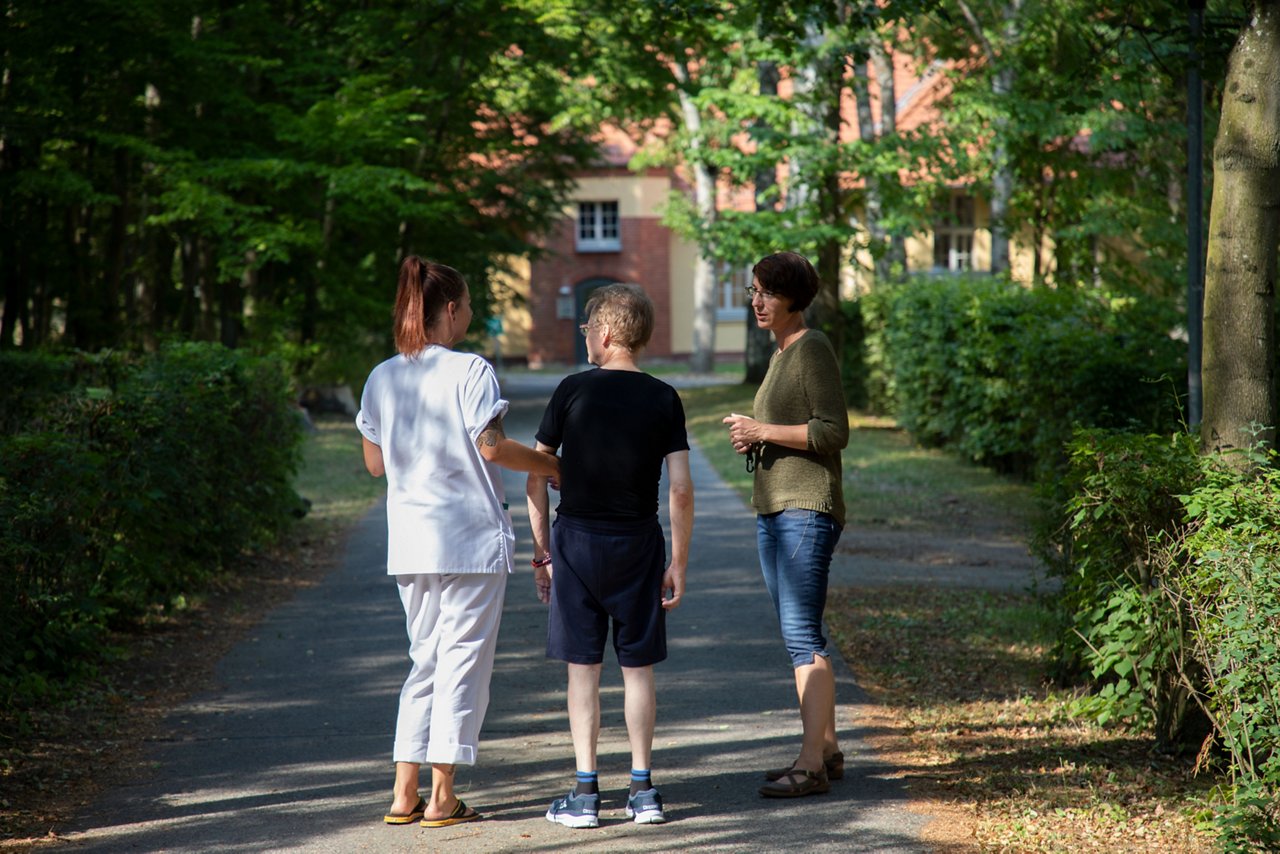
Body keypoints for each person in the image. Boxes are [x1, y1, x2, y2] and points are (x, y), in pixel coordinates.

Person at [357, 256, 560, 828]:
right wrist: (553, 467)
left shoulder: (381, 376)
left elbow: (375, 464)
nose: (470, 314)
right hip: (468, 536)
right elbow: (492, 446)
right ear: (450, 309)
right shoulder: (471, 371)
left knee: (423, 661)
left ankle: (404, 792)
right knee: (463, 663)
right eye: (468, 304)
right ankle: (443, 797)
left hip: (412, 542)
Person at [526, 283, 694, 828]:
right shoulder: (664, 396)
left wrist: (542, 552)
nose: (585, 341)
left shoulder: (572, 390)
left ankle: (585, 793)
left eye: (585, 332)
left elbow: (536, 471)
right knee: (638, 669)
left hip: (576, 543)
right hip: (638, 544)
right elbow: (682, 489)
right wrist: (679, 563)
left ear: (603, 334)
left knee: (584, 671)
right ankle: (643, 791)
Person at [722, 251, 849, 799]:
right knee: (803, 632)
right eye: (753, 291)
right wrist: (755, 435)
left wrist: (763, 429)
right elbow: (785, 426)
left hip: (806, 508)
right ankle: (827, 748)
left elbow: (832, 431)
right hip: (775, 506)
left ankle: (810, 764)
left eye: (767, 292)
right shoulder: (780, 353)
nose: (757, 301)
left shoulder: (811, 348)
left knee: (801, 636)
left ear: (794, 298)